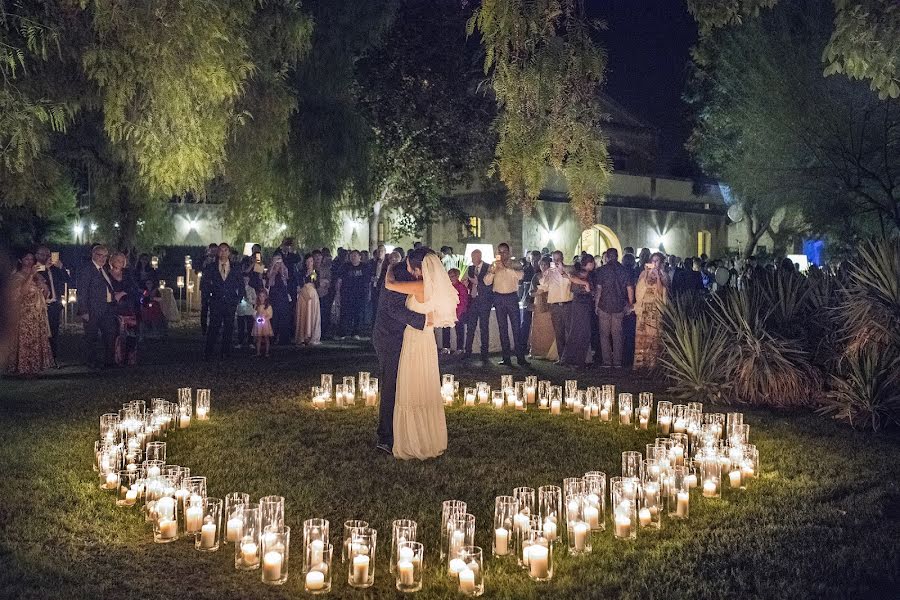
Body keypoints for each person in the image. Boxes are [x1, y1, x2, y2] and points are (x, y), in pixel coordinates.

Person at [382, 250, 455, 460]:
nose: (406, 270)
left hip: (415, 339)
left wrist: (389, 267)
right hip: (427, 338)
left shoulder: (420, 285)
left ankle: (414, 441)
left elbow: (389, 284)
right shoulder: (432, 287)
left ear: (417, 268)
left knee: (412, 386)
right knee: (425, 386)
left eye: (408, 266)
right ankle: (429, 438)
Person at [372, 247, 432, 455]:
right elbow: (393, 309)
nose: (421, 276)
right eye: (420, 271)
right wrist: (423, 320)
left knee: (405, 384)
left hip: (408, 337)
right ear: (412, 265)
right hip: (389, 336)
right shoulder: (397, 274)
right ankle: (385, 437)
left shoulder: (402, 272)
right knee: (390, 384)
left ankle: (405, 429)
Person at [6, 251, 53, 376]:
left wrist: (43, 285)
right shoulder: (17, 276)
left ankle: (35, 364)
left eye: (32, 259)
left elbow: (46, 293)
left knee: (36, 339)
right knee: (25, 339)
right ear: (21, 261)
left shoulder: (38, 276)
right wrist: (31, 276)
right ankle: (23, 365)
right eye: (27, 259)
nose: (30, 262)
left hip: (37, 313)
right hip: (24, 313)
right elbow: (22, 292)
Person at [76, 244, 118, 368]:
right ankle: (91, 361)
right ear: (93, 255)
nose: (103, 258)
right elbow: (82, 291)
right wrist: (84, 310)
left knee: (110, 335)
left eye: (105, 256)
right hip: (93, 309)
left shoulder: (103, 269)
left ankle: (109, 361)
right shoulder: (87, 269)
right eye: (100, 255)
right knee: (91, 336)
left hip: (107, 308)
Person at [485, 242, 526, 366]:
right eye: (500, 252)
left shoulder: (514, 264)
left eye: (504, 252)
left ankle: (520, 358)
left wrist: (507, 269)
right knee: (502, 329)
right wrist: (493, 271)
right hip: (498, 298)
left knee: (516, 329)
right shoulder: (493, 265)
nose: (502, 254)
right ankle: (506, 358)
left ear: (508, 253)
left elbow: (521, 276)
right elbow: (486, 282)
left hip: (512, 298)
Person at [594, 248, 635, 369]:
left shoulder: (601, 270)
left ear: (607, 256)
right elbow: (630, 289)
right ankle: (617, 362)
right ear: (617, 256)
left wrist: (596, 305)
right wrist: (630, 303)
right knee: (617, 335)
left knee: (604, 335)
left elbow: (599, 289)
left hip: (604, 305)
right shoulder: (624, 271)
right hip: (619, 306)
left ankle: (607, 362)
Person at [202, 243, 242, 360]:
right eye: (221, 250)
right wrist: (207, 298)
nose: (223, 253)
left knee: (229, 327)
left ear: (229, 252)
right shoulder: (211, 267)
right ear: (218, 252)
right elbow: (205, 284)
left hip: (230, 301)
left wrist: (238, 298)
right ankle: (209, 351)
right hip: (216, 301)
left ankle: (226, 351)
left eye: (225, 250)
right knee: (214, 327)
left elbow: (240, 284)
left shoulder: (235, 267)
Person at [634, 252, 669, 369]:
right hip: (644, 308)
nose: (655, 263)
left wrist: (658, 277)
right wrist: (646, 276)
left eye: (657, 260)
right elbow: (639, 289)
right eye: (653, 260)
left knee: (654, 335)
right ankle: (641, 363)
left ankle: (653, 364)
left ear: (661, 262)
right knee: (642, 336)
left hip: (655, 309)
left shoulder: (664, 275)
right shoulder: (643, 273)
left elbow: (661, 292)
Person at [34, 246, 69, 361]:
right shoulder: (35, 268)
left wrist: (61, 267)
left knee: (54, 333)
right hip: (40, 305)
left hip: (54, 305)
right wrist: (45, 267)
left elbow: (68, 280)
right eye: (43, 254)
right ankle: (40, 358)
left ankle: (53, 357)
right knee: (40, 332)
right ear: (37, 255)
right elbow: (34, 273)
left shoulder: (54, 269)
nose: (46, 257)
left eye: (48, 255)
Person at [560, 254, 595, 368]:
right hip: (581, 304)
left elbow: (569, 276)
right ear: (588, 263)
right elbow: (570, 277)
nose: (594, 265)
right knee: (581, 332)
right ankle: (577, 360)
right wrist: (585, 284)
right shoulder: (583, 274)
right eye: (592, 263)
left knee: (578, 331)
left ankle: (573, 358)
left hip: (582, 304)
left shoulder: (586, 274)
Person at [108, 252, 140, 365]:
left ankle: (130, 356)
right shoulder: (107, 274)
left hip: (128, 307)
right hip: (114, 307)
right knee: (115, 332)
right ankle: (117, 357)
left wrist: (122, 292)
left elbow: (135, 288)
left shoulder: (127, 274)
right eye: (117, 260)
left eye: (122, 261)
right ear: (112, 261)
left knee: (131, 332)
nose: (120, 263)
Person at [541, 250, 573, 361]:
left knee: (569, 332)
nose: (556, 261)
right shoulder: (549, 272)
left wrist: (563, 271)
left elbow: (573, 281)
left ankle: (569, 357)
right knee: (559, 333)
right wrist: (546, 273)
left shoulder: (569, 270)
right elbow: (543, 286)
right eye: (554, 259)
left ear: (562, 258)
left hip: (567, 305)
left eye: (558, 259)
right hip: (555, 306)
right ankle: (561, 358)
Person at [463, 249, 492, 363]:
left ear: (479, 257)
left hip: (485, 301)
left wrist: (477, 283)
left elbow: (490, 285)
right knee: (470, 327)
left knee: (484, 327)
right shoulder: (470, 268)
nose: (472, 259)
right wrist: (468, 284)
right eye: (471, 257)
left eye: (474, 257)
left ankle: (484, 354)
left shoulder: (488, 267)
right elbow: (471, 284)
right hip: (473, 301)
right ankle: (467, 351)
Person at [527, 256, 558, 360]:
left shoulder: (554, 276)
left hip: (550, 302)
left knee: (550, 328)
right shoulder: (536, 276)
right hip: (539, 303)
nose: (544, 267)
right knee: (538, 328)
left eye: (546, 265)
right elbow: (530, 292)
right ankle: (536, 350)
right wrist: (537, 293)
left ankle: (549, 351)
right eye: (542, 265)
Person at [336, 250, 371, 339]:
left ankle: (356, 332)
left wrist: (368, 293)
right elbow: (339, 281)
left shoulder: (365, 267)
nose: (353, 257)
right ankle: (342, 332)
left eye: (355, 255)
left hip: (360, 294)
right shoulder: (344, 267)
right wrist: (338, 293)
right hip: (347, 294)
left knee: (358, 314)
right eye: (352, 256)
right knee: (345, 314)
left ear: (360, 257)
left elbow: (368, 282)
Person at [295, 253, 321, 345]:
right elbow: (299, 283)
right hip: (303, 295)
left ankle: (311, 336)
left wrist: (312, 274)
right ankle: (302, 337)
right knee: (303, 315)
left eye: (311, 261)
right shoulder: (301, 272)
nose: (309, 263)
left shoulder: (315, 272)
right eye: (308, 261)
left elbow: (316, 284)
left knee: (312, 314)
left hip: (312, 295)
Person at [441, 268, 469, 353]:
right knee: (446, 329)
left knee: (459, 330)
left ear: (457, 276)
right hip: (448, 311)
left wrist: (458, 312)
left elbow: (463, 301)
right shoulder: (447, 286)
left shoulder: (461, 287)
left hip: (458, 312)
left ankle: (460, 348)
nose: (450, 278)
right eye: (449, 276)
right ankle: (446, 347)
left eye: (452, 276)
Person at [267, 254, 292, 345]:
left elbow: (287, 278)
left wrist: (282, 269)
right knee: (274, 317)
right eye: (276, 260)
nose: (278, 262)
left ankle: (284, 338)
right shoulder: (271, 270)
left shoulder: (284, 269)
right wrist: (274, 268)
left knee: (283, 316)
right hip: (274, 295)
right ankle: (272, 338)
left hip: (283, 295)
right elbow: (269, 280)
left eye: (279, 260)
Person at [198, 243, 218, 335]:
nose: (213, 252)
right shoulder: (204, 258)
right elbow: (197, 269)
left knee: (215, 308)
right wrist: (204, 263)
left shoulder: (219, 259)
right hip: (206, 286)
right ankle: (204, 328)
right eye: (212, 250)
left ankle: (214, 328)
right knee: (205, 307)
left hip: (216, 286)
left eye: (215, 250)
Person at [236, 273, 257, 349]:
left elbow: (255, 301)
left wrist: (250, 300)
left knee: (250, 327)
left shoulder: (252, 289)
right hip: (241, 310)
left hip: (249, 310)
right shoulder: (238, 289)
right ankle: (240, 342)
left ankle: (250, 342)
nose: (245, 281)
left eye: (247, 280)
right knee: (240, 327)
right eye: (244, 280)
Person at [253, 288, 274, 357]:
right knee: (258, 338)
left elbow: (270, 315)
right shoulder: (257, 305)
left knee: (266, 338)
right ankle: (258, 352)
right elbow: (254, 313)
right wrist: (256, 318)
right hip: (258, 324)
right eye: (260, 296)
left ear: (266, 297)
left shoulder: (268, 306)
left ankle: (267, 352)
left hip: (266, 324)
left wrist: (264, 319)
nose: (262, 298)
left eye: (263, 296)